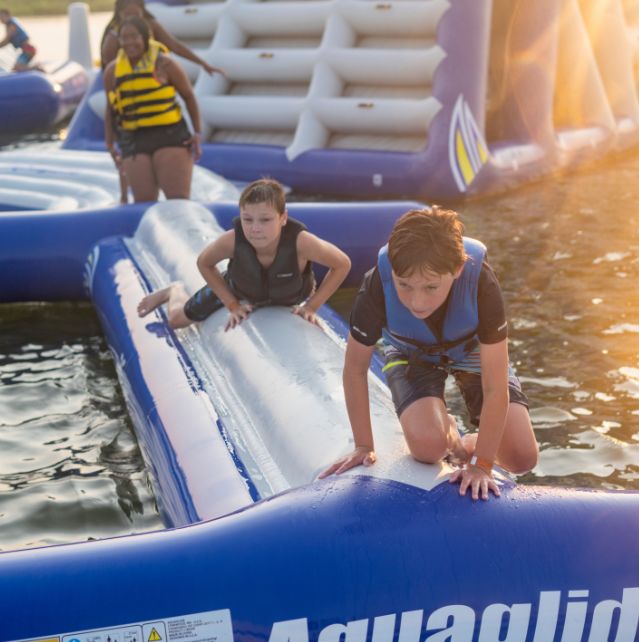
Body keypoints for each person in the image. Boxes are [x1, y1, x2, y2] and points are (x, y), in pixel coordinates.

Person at [320, 206, 538, 500]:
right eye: (404, 285)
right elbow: (355, 369)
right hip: (410, 351)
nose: (416, 302)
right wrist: (363, 445)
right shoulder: (376, 285)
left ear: (458, 269)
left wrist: (482, 464)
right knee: (428, 448)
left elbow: (494, 385)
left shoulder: (481, 282)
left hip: (470, 349)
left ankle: (469, 444)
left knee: (522, 457)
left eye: (431, 287)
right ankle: (446, 430)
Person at [137, 178, 352, 332]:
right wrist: (232, 304)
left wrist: (312, 306)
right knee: (176, 321)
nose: (255, 228)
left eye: (265, 220)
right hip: (240, 289)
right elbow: (204, 263)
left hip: (290, 295)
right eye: (247, 220)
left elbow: (342, 264)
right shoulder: (231, 240)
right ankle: (173, 291)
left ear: (283, 218)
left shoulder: (301, 242)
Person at [103, 16, 203, 203]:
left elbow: (189, 96)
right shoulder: (113, 71)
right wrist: (109, 144)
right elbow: (111, 110)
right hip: (133, 139)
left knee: (178, 200)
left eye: (134, 37)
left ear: (145, 38)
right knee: (144, 201)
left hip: (170, 135)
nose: (129, 42)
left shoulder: (165, 64)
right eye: (124, 38)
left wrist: (197, 132)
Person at [100, 0, 221, 76]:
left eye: (136, 14)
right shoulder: (113, 37)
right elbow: (109, 70)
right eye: (128, 14)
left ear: (142, 11)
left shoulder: (151, 25)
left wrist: (203, 64)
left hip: (152, 76)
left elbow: (175, 46)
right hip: (127, 81)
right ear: (119, 14)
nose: (133, 19)